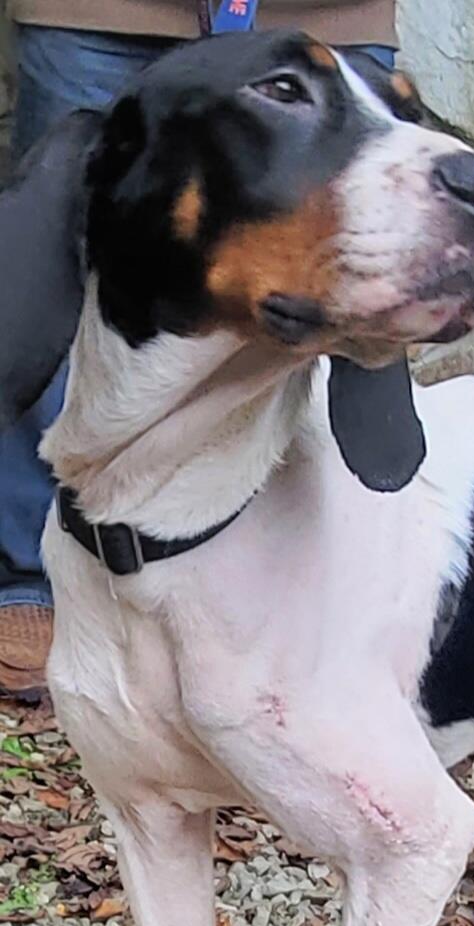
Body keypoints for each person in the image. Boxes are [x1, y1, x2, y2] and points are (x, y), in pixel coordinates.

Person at [0, 1, 396, 700]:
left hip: (329, 12)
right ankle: (27, 578)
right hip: (102, 5)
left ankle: (284, 594)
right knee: (55, 274)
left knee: (342, 286)